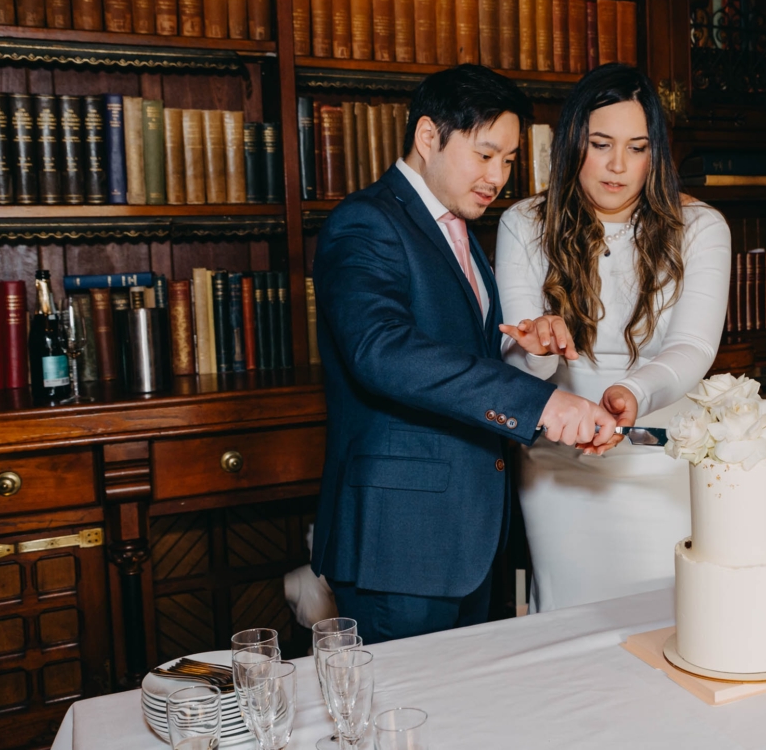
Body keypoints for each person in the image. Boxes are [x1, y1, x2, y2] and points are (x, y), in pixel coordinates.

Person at [311, 65, 617, 643]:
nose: (498, 176)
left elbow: (448, 349)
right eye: (485, 155)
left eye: (508, 160)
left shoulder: (459, 230)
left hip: (467, 537)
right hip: (399, 544)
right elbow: (380, 350)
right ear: (429, 137)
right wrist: (542, 403)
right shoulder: (365, 222)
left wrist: (515, 343)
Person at [495, 63, 731, 612]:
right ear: (573, 142)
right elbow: (516, 360)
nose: (618, 166)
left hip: (663, 452)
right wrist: (538, 348)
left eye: (637, 146)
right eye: (600, 144)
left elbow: (694, 347)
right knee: (569, 617)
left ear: (657, 154)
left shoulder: (701, 228)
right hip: (560, 458)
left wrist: (631, 396)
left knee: (671, 616)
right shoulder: (524, 223)